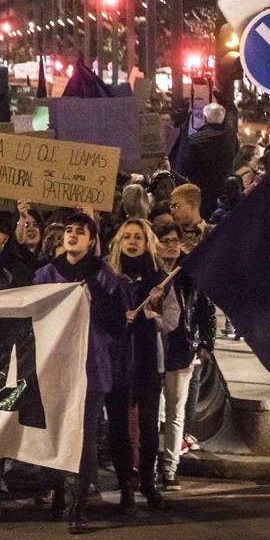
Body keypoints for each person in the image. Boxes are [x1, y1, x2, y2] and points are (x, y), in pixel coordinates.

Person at [33, 212, 129, 535]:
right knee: (56, 433)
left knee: (85, 440)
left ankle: (78, 506)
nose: (72, 236)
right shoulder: (46, 274)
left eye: (80, 232)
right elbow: (31, 312)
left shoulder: (106, 278)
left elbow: (117, 326)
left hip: (91, 370)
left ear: (92, 241)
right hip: (54, 369)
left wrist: (93, 296)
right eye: (69, 231)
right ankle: (58, 490)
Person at [104, 219, 174, 514]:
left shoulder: (159, 279)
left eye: (138, 237)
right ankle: (125, 485)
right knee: (118, 426)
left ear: (147, 243)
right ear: (118, 243)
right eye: (127, 237)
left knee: (147, 427)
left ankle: (147, 480)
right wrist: (119, 318)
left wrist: (152, 310)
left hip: (147, 362)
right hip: (116, 360)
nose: (132, 242)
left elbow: (171, 321)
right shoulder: (107, 278)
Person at [154, 222, 214, 491]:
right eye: (164, 240)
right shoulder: (148, 271)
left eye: (174, 240)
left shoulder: (189, 272)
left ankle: (170, 466)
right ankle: (150, 465)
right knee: (154, 412)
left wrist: (205, 343)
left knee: (176, 411)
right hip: (151, 348)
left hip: (181, 347)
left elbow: (205, 307)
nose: (170, 245)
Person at [184, 103, 234, 218]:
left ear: (205, 118)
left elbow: (187, 165)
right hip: (222, 190)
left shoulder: (194, 139)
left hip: (200, 189)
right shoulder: (228, 139)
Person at [168, 184, 208, 254]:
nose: (172, 212)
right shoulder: (168, 236)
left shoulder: (215, 234)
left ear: (191, 205)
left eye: (176, 206)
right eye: (171, 207)